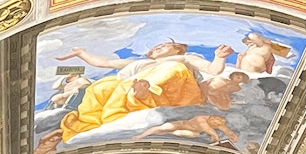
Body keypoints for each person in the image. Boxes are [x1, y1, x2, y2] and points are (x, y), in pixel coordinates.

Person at [44, 41, 233, 145]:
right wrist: (82, 53)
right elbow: (105, 64)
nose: (157, 47)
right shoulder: (140, 64)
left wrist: (219, 57)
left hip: (177, 92)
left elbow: (213, 70)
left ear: (177, 48)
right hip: (136, 91)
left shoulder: (183, 58)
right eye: (155, 47)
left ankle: (144, 90)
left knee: (172, 67)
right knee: (101, 87)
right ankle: (94, 122)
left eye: (164, 45)